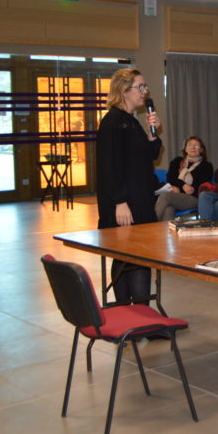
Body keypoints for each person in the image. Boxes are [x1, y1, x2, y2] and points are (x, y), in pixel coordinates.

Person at [96, 68, 162, 304]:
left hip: (140, 198)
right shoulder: (113, 122)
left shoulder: (130, 122)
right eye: (140, 87)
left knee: (134, 257)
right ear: (125, 90)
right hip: (125, 203)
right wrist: (119, 202)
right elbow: (109, 167)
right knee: (131, 257)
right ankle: (132, 315)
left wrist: (153, 134)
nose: (145, 92)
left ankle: (136, 315)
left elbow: (150, 156)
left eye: (145, 87)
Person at [154, 136, 213, 221]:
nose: (192, 147)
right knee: (168, 208)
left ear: (201, 150)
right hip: (174, 197)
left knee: (166, 196)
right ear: (185, 149)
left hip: (194, 198)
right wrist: (182, 185)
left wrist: (180, 188)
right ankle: (166, 233)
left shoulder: (206, 166)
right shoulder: (177, 161)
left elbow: (199, 186)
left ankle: (148, 225)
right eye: (190, 145)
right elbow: (170, 178)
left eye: (196, 145)